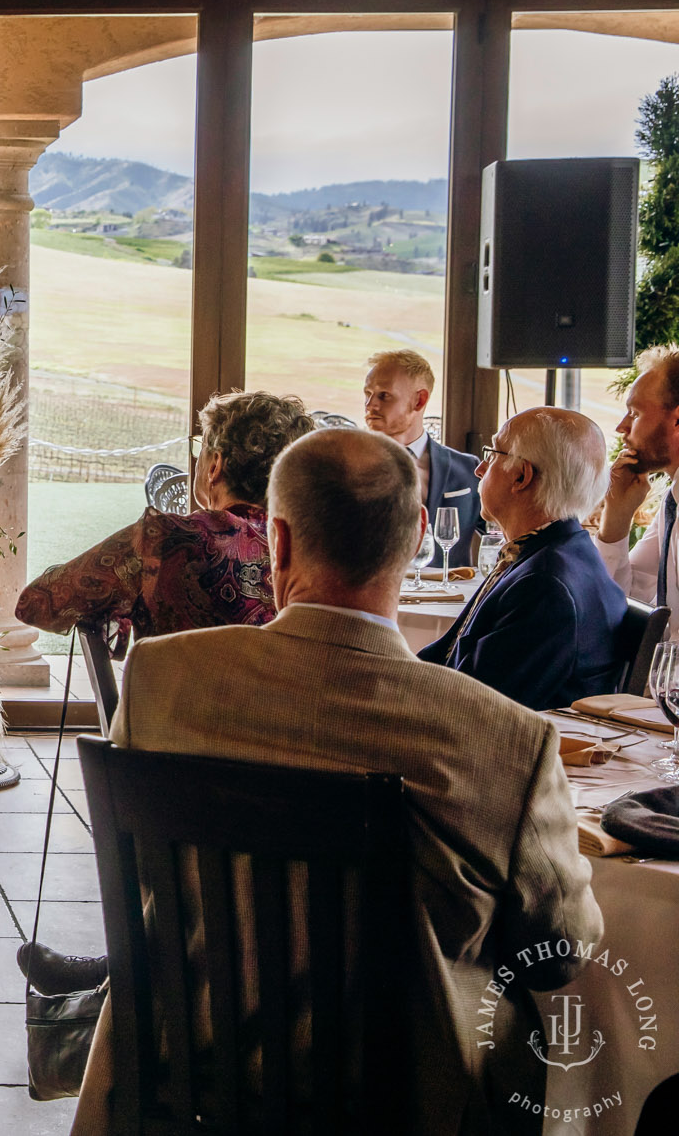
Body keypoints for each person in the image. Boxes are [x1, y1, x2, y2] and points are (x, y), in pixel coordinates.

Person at [56, 428, 601, 1136]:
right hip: (408, 1105)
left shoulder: (162, 679)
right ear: (414, 544)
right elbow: (561, 952)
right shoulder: (503, 739)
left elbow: (144, 884)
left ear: (277, 542)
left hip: (192, 1071)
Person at [15, 391, 314, 645]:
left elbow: (37, 605)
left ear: (215, 466)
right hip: (291, 713)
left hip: (174, 712)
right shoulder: (313, 551)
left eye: (201, 448)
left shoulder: (168, 538)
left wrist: (119, 607)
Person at [419, 407, 626, 710]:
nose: (479, 470)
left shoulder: (545, 585)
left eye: (492, 455)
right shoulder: (555, 552)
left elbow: (477, 707)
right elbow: (448, 657)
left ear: (521, 476)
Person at [363, 347, 481, 566]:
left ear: (419, 400)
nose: (370, 405)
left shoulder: (467, 470)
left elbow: (506, 533)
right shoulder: (349, 467)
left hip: (448, 598)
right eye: (367, 394)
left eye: (383, 395)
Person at [594, 343, 679, 605]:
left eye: (635, 413)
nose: (622, 427)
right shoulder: (673, 500)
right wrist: (617, 517)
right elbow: (621, 600)